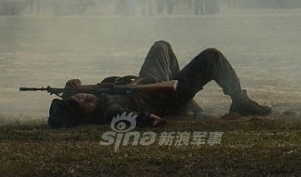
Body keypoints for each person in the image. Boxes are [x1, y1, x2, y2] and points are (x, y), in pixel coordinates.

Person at [47, 40, 272, 128]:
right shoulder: (108, 110)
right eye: (82, 104)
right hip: (165, 98)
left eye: (78, 97)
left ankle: (188, 103)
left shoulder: (91, 96)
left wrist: (71, 88)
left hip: (147, 80)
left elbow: (74, 98)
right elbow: (121, 117)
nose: (84, 98)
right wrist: (147, 119)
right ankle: (239, 101)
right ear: (86, 116)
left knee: (161, 46)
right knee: (211, 57)